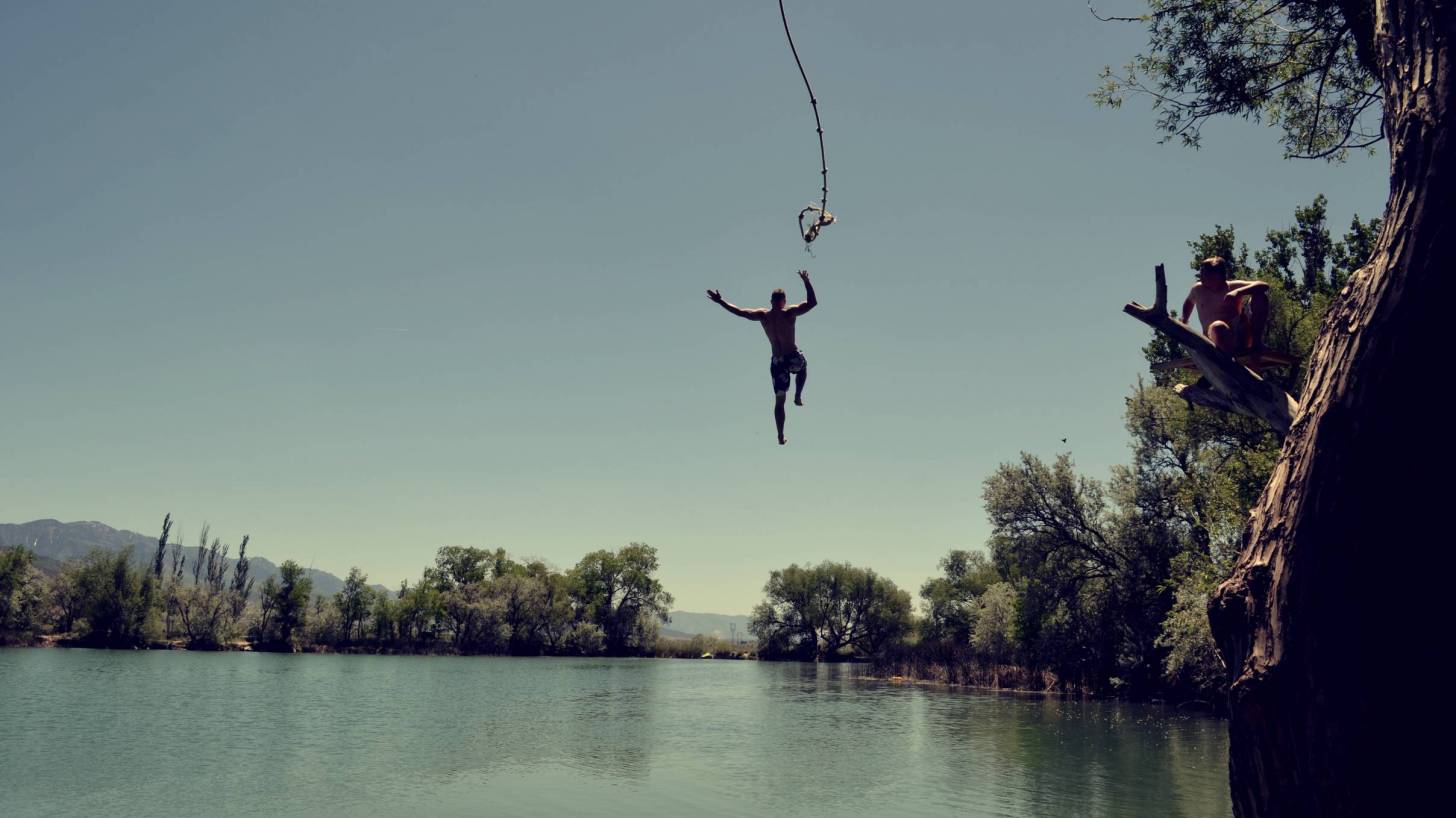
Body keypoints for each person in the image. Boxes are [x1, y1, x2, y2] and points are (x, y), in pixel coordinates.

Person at [706, 270, 817, 445]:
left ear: (771, 301)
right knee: (803, 365)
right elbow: (812, 303)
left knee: (780, 401)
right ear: (784, 301)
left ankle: (780, 435)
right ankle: (797, 396)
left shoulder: (763, 315)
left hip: (777, 361)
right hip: (791, 357)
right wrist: (806, 281)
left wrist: (721, 301)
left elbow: (740, 312)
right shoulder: (789, 313)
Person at [1180, 256, 1270, 354]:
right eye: (1201, 274)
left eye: (1206, 274)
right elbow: (1189, 302)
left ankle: (1257, 343)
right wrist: (1184, 320)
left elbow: (1263, 285)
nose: (1202, 277)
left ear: (1219, 275)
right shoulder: (1197, 289)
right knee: (1218, 327)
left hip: (1237, 338)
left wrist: (1238, 292)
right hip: (1213, 340)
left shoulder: (1232, 286)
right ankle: (1224, 355)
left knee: (1260, 296)